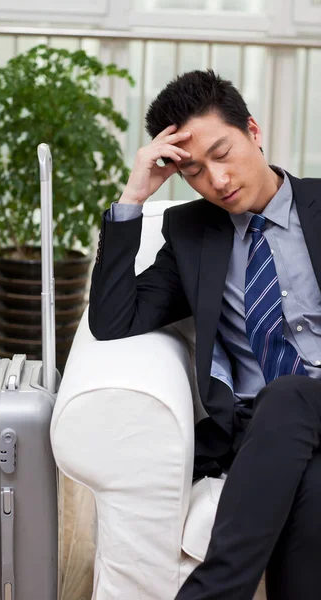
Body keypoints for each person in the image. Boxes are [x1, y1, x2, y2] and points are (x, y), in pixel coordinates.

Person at [88, 69, 321, 599]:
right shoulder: (192, 233)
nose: (217, 180)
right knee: (312, 487)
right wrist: (134, 196)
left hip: (303, 400)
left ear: (253, 131)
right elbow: (113, 320)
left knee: (287, 396)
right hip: (260, 433)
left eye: (223, 152)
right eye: (193, 170)